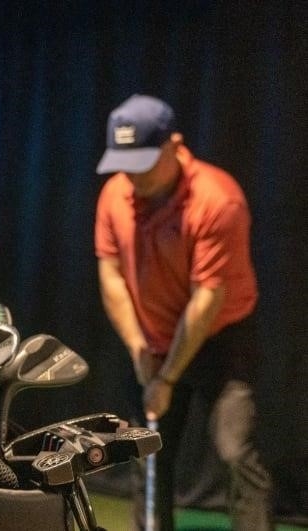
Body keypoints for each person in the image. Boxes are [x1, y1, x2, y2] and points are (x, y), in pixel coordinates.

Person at [93, 94, 273, 530]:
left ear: (173, 145)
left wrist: (167, 377)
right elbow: (112, 276)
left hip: (219, 339)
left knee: (236, 452)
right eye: (125, 163)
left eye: (143, 163)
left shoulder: (217, 200)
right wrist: (140, 350)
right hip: (151, 339)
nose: (132, 176)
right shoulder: (115, 194)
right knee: (146, 449)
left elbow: (206, 300)